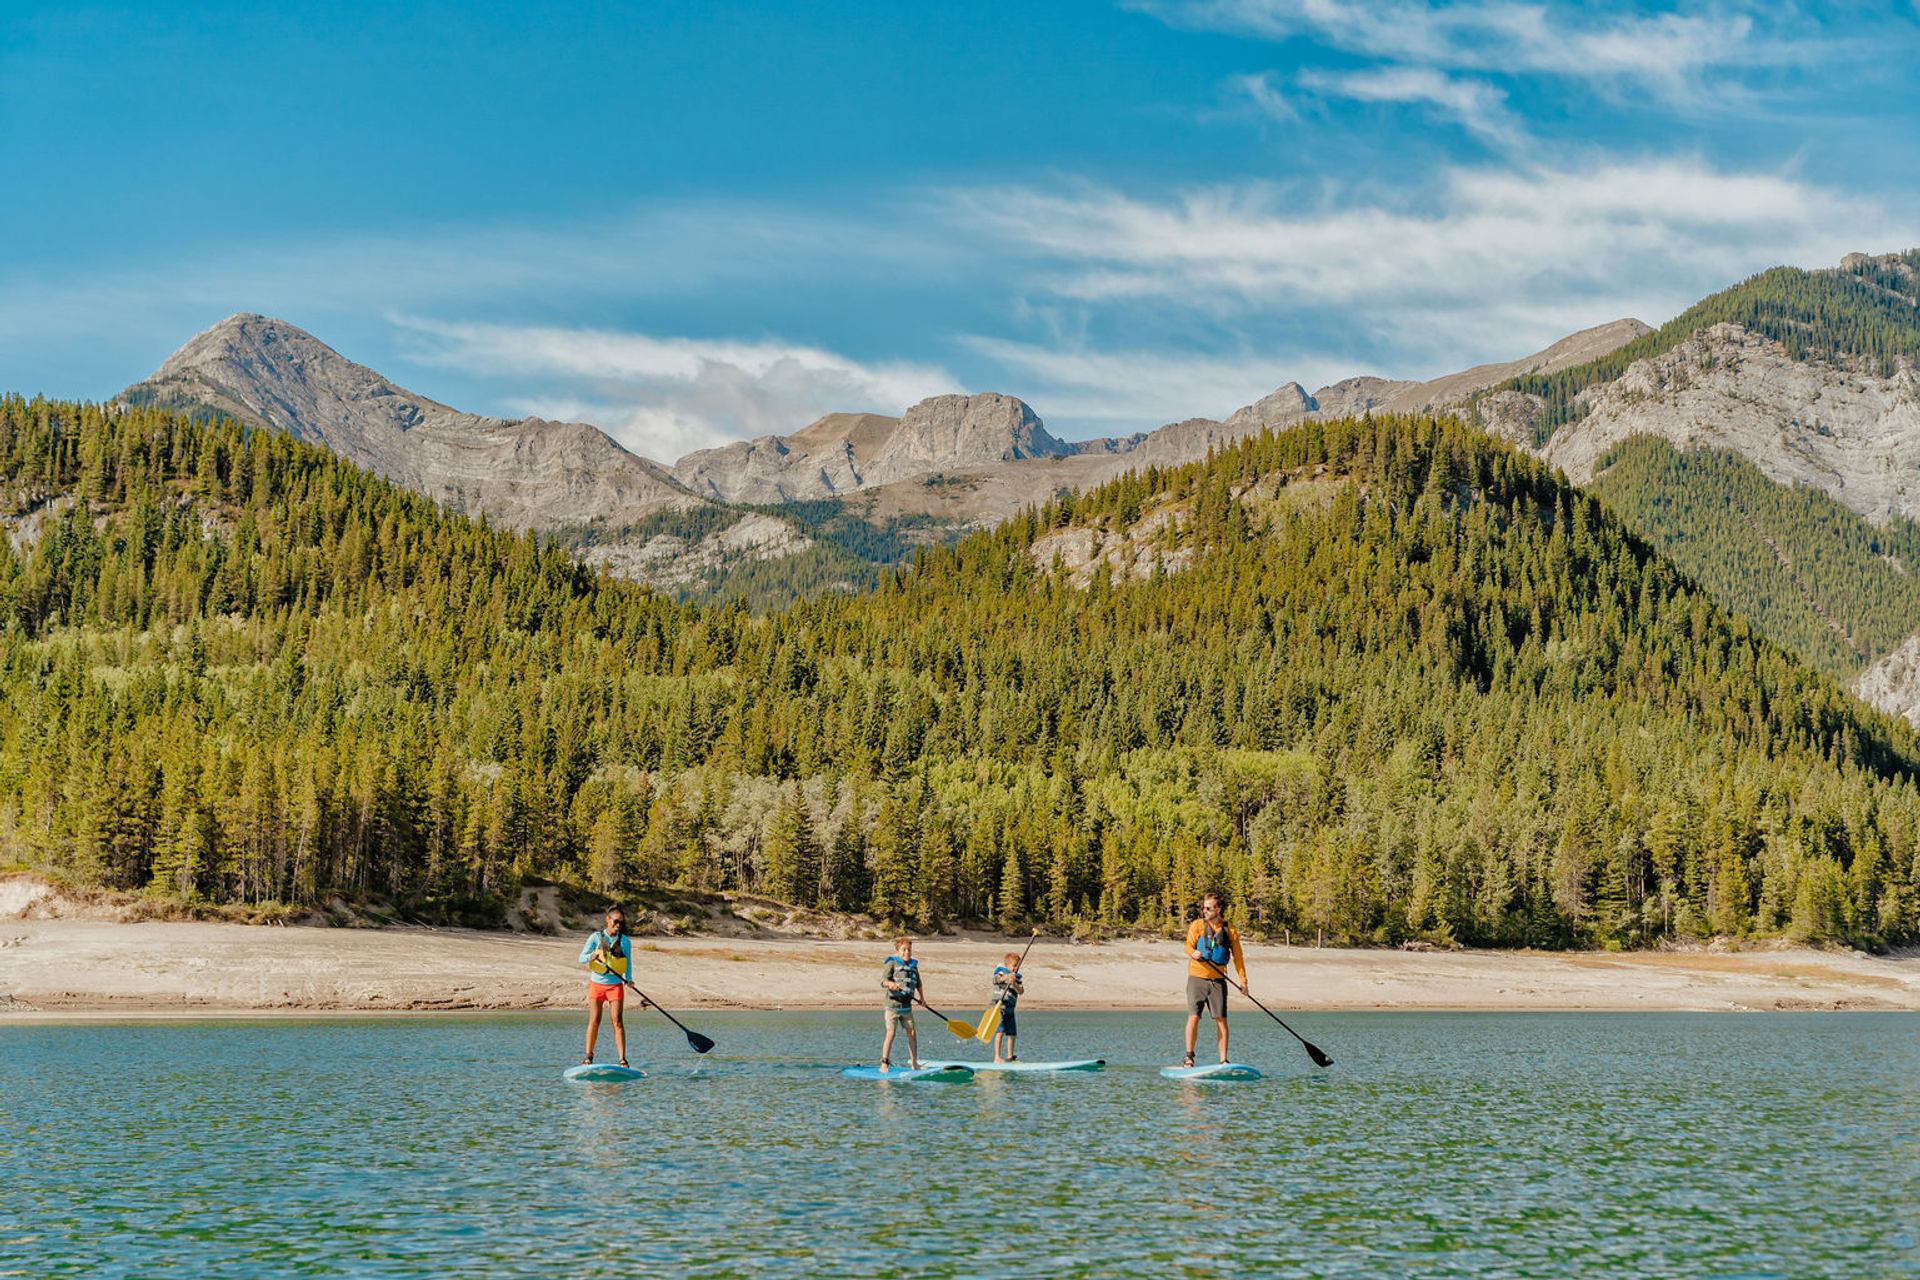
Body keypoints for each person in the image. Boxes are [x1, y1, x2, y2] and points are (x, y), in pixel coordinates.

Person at [1183, 891, 1248, 1067]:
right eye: (1204, 907)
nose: (1204, 910)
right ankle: (1189, 1058)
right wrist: (1193, 952)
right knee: (1194, 1017)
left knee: (1221, 1020)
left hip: (1218, 981)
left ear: (1218, 909)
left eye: (1208, 908)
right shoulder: (1197, 925)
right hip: (1196, 979)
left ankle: (1223, 1060)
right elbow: (1187, 946)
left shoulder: (1230, 930)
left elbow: (1238, 957)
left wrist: (1243, 982)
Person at [579, 906, 648, 1067]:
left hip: (615, 986)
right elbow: (581, 958)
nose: (618, 925)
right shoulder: (596, 938)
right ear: (607, 920)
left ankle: (622, 1059)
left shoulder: (625, 941)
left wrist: (629, 979)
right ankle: (588, 1056)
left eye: (621, 923)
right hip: (597, 984)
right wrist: (592, 956)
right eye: (615, 921)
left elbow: (628, 962)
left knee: (617, 1021)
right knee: (594, 1020)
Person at [879, 936, 924, 1072]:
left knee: (912, 1033)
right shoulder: (892, 963)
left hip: (906, 1007)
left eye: (909, 950)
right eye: (903, 950)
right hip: (892, 1006)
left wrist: (922, 998)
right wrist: (890, 983)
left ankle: (914, 1064)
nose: (907, 953)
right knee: (891, 1033)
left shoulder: (913, 966)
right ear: (898, 951)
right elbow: (883, 981)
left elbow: (919, 984)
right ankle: (884, 1063)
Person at [990, 951, 1024, 1063]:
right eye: (1014, 966)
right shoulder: (1000, 973)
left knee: (1012, 1033)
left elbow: (1021, 991)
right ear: (1008, 965)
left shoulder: (1017, 978)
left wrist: (1014, 983)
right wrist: (1006, 978)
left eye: (1017, 966)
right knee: (1000, 1032)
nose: (1016, 969)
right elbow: (995, 980)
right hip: (1000, 1009)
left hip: (1010, 1010)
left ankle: (1010, 1057)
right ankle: (997, 1057)